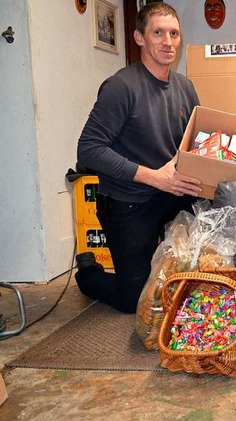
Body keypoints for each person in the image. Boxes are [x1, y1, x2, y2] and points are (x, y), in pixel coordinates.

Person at [75, 3, 202, 313]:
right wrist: (153, 176)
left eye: (174, 33)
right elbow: (88, 149)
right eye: (158, 33)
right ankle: (89, 270)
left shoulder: (185, 87)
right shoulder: (121, 87)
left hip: (171, 192)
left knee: (199, 271)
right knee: (136, 299)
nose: (168, 42)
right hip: (127, 199)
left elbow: (193, 142)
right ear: (139, 37)